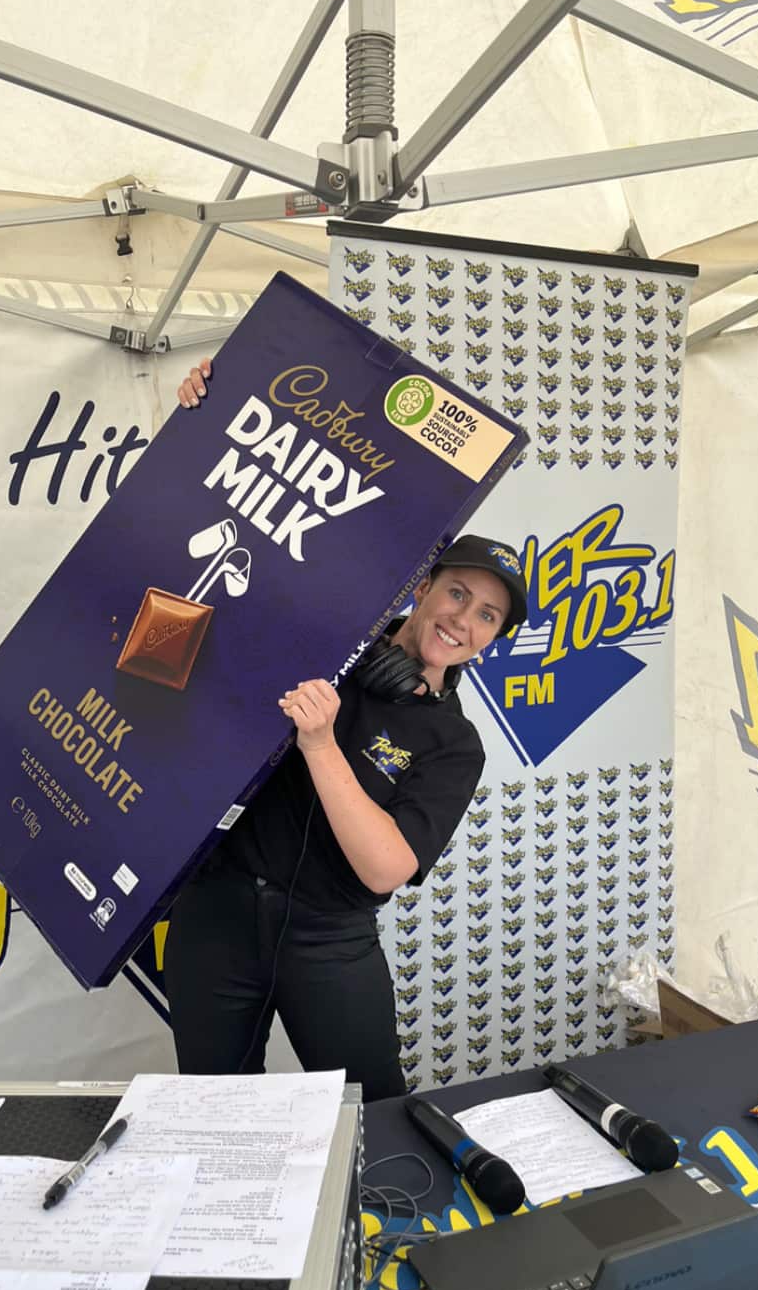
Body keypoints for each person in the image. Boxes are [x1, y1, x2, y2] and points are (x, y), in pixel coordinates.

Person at [163, 359, 528, 1100]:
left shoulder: (453, 743)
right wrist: (212, 410)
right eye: (457, 593)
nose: (462, 620)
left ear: (492, 639)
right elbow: (233, 544)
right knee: (211, 1109)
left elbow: (387, 868)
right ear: (423, 587)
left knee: (378, 1112)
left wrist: (323, 746)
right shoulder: (329, 628)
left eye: (486, 616)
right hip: (217, 912)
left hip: (328, 942)